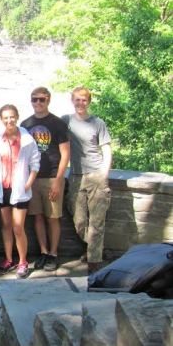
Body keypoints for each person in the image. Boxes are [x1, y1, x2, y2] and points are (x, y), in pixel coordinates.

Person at [62, 87, 112, 274]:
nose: (81, 103)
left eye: (84, 100)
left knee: (97, 220)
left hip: (95, 175)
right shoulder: (66, 121)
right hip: (76, 176)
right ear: (72, 100)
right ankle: (94, 247)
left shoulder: (97, 123)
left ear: (89, 101)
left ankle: (94, 261)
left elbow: (106, 148)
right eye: (77, 99)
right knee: (79, 220)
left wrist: (103, 174)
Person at [20, 86, 70, 271]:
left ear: (48, 100)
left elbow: (65, 154)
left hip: (51, 177)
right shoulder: (26, 125)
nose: (38, 103)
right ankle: (43, 252)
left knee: (53, 217)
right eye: (34, 99)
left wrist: (58, 180)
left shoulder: (57, 124)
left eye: (42, 99)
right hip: (33, 177)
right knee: (37, 217)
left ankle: (53, 254)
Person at [0, 105, 40, 279]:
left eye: (12, 117)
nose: (9, 120)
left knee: (18, 227)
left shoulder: (26, 139)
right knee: (6, 226)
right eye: (5, 117)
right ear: (1, 119)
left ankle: (23, 262)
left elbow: (35, 161)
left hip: (20, 188)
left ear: (17, 117)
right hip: (2, 187)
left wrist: (29, 182)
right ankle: (9, 259)